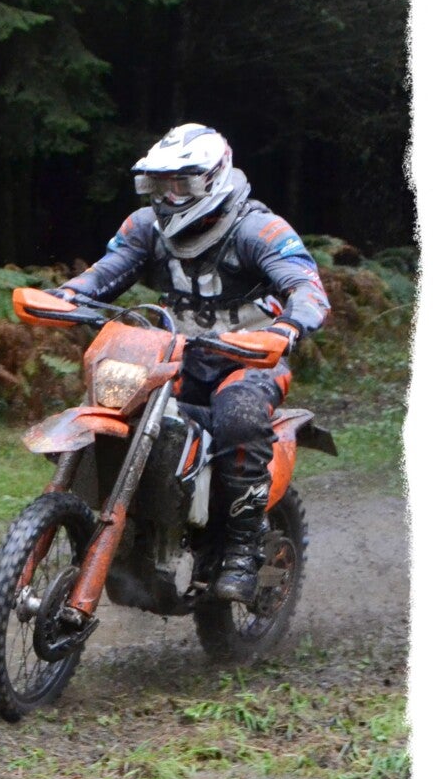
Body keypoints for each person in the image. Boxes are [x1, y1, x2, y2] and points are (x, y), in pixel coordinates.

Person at [50, 123, 330, 603]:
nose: (167, 197)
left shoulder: (257, 229)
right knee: (117, 401)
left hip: (251, 360)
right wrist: (67, 296)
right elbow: (105, 273)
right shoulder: (146, 227)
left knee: (238, 417)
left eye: (180, 184)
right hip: (177, 355)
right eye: (158, 185)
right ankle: (130, 527)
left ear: (213, 179)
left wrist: (287, 328)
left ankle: (241, 550)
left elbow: (306, 287)